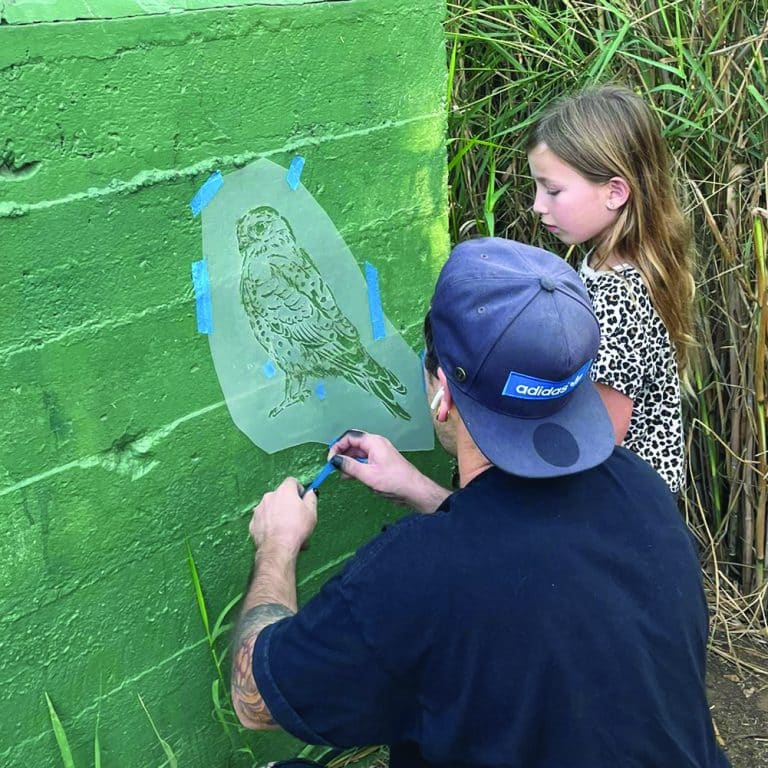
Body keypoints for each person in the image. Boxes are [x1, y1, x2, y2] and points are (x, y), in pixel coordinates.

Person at [231, 238, 729, 768]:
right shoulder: (640, 489)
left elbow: (255, 701)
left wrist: (278, 546)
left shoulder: (416, 574)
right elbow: (528, 557)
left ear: (441, 392)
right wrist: (420, 491)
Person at [526, 84, 695, 494]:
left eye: (553, 190)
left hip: (625, 504)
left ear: (615, 192)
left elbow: (600, 440)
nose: (537, 205)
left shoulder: (617, 296)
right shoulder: (607, 262)